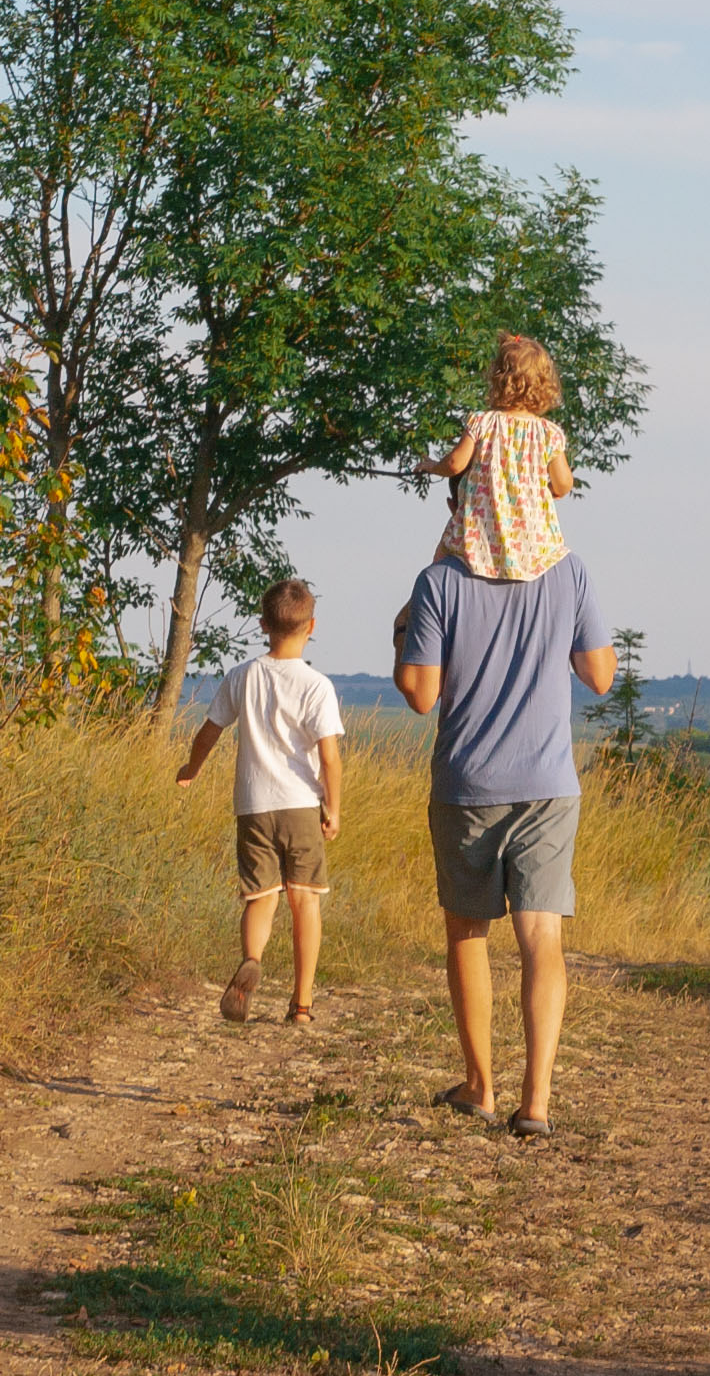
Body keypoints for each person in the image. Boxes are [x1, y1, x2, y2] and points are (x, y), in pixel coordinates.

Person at [392, 535, 614, 1138]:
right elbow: (599, 675)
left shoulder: (438, 582)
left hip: (468, 784)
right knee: (541, 935)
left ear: (461, 504)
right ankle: (536, 1101)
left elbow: (418, 696)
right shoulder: (569, 569)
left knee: (468, 931)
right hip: (547, 782)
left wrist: (402, 633)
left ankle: (479, 1086)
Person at [174, 576, 345, 1024]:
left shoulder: (241, 676)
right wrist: (333, 807)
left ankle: (252, 957)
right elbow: (329, 756)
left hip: (252, 805)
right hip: (300, 804)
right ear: (312, 627)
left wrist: (191, 769)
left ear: (263, 625)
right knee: (305, 900)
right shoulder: (317, 686)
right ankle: (301, 1005)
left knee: (261, 897)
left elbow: (209, 731)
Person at [412, 332, 574, 583]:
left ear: (497, 380)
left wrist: (433, 466)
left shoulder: (483, 422)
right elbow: (564, 484)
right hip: (534, 544)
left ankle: (417, 608)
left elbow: (456, 464)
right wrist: (545, 490)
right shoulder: (548, 433)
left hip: (479, 540)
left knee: (440, 560)